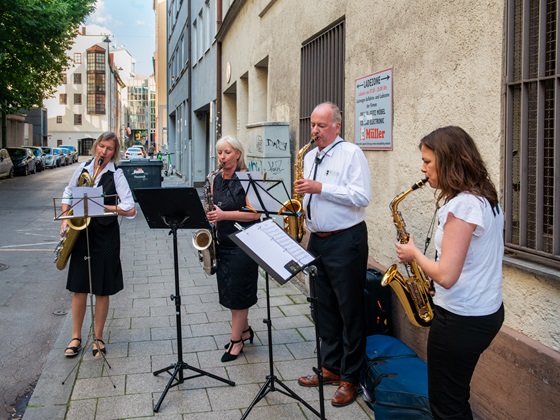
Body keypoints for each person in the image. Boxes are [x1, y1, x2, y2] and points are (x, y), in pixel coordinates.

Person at [395, 126, 504, 419]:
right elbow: (472, 261)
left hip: (461, 320)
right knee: (455, 396)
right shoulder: (485, 198)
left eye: (428, 161)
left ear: (449, 161)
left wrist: (414, 254)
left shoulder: (462, 206)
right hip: (484, 312)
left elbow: (446, 276)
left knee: (446, 404)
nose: (423, 168)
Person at [294, 102, 371, 406]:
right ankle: (330, 367)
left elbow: (362, 196)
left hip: (346, 240)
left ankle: (350, 377)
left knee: (349, 309)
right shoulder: (310, 155)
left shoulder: (352, 153)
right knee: (322, 306)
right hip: (317, 240)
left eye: (322, 125)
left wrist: (320, 187)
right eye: (312, 125)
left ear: (337, 126)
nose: (315, 131)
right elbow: (309, 195)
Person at [61, 132, 136, 358]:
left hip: (106, 235)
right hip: (82, 234)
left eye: (109, 149)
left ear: (115, 152)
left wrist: (102, 206)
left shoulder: (117, 174)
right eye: (102, 146)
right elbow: (67, 192)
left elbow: (130, 208)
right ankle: (76, 336)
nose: (104, 152)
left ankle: (99, 337)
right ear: (96, 147)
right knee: (80, 287)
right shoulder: (82, 168)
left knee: (102, 289)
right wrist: (65, 219)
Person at [206, 135, 261, 363]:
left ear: (238, 154)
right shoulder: (216, 179)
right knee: (230, 293)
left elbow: (255, 213)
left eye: (227, 152)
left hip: (244, 244)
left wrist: (223, 215)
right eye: (220, 153)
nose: (223, 157)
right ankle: (245, 330)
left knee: (238, 295)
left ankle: (236, 341)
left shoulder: (248, 178)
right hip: (223, 244)